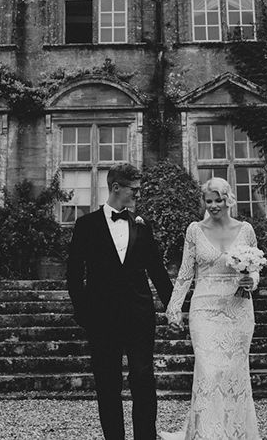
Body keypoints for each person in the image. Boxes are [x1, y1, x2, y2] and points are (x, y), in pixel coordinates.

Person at [67, 162, 173, 440]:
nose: (138, 196)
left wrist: (174, 308)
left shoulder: (142, 225)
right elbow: (74, 274)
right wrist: (84, 314)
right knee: (107, 384)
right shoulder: (86, 225)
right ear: (116, 188)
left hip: (139, 316)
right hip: (101, 319)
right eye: (134, 191)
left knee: (144, 381)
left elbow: (158, 271)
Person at [160, 177, 261, 440]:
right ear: (203, 202)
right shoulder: (194, 230)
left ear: (228, 199)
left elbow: (255, 270)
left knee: (233, 372)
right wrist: (174, 308)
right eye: (209, 200)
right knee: (208, 370)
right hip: (204, 310)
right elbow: (185, 273)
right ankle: (206, 434)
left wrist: (252, 281)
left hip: (238, 309)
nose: (214, 205)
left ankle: (236, 431)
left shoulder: (246, 229)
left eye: (219, 200)